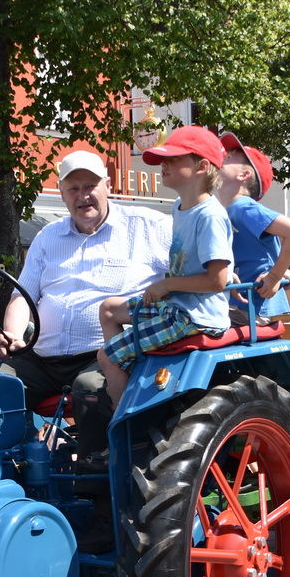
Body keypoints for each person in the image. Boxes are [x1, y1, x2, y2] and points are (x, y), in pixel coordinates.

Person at [0, 149, 170, 460]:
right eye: (73, 189)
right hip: (43, 358)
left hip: (109, 353)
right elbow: (23, 296)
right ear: (62, 194)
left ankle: (96, 485)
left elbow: (202, 259)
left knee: (89, 385)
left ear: (108, 185)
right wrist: (13, 335)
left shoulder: (148, 227)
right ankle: (14, 468)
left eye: (90, 186)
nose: (82, 196)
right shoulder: (47, 237)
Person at [98, 126, 234, 403]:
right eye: (164, 159)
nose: (164, 164)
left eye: (174, 159)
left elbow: (216, 280)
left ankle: (123, 422)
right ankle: (128, 375)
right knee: (109, 309)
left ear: (202, 167)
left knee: (107, 355)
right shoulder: (179, 207)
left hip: (195, 318)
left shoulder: (209, 216)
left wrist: (167, 284)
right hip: (178, 306)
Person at [217, 132, 290, 324]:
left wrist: (275, 275)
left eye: (229, 157)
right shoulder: (228, 210)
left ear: (244, 175)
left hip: (250, 308)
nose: (222, 157)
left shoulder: (243, 208)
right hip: (242, 305)